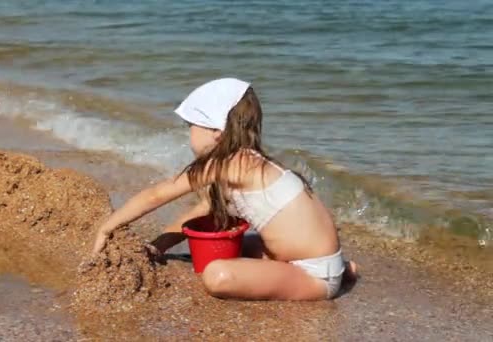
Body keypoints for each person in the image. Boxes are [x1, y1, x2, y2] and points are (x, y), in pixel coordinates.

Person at [92, 78, 357, 300]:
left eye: (191, 126)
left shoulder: (229, 165)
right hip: (308, 256)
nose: (189, 134)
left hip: (313, 276)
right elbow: (198, 214)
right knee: (216, 246)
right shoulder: (247, 162)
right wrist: (158, 247)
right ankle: (341, 269)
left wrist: (107, 226)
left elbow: (157, 194)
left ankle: (333, 278)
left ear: (216, 131)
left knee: (216, 274)